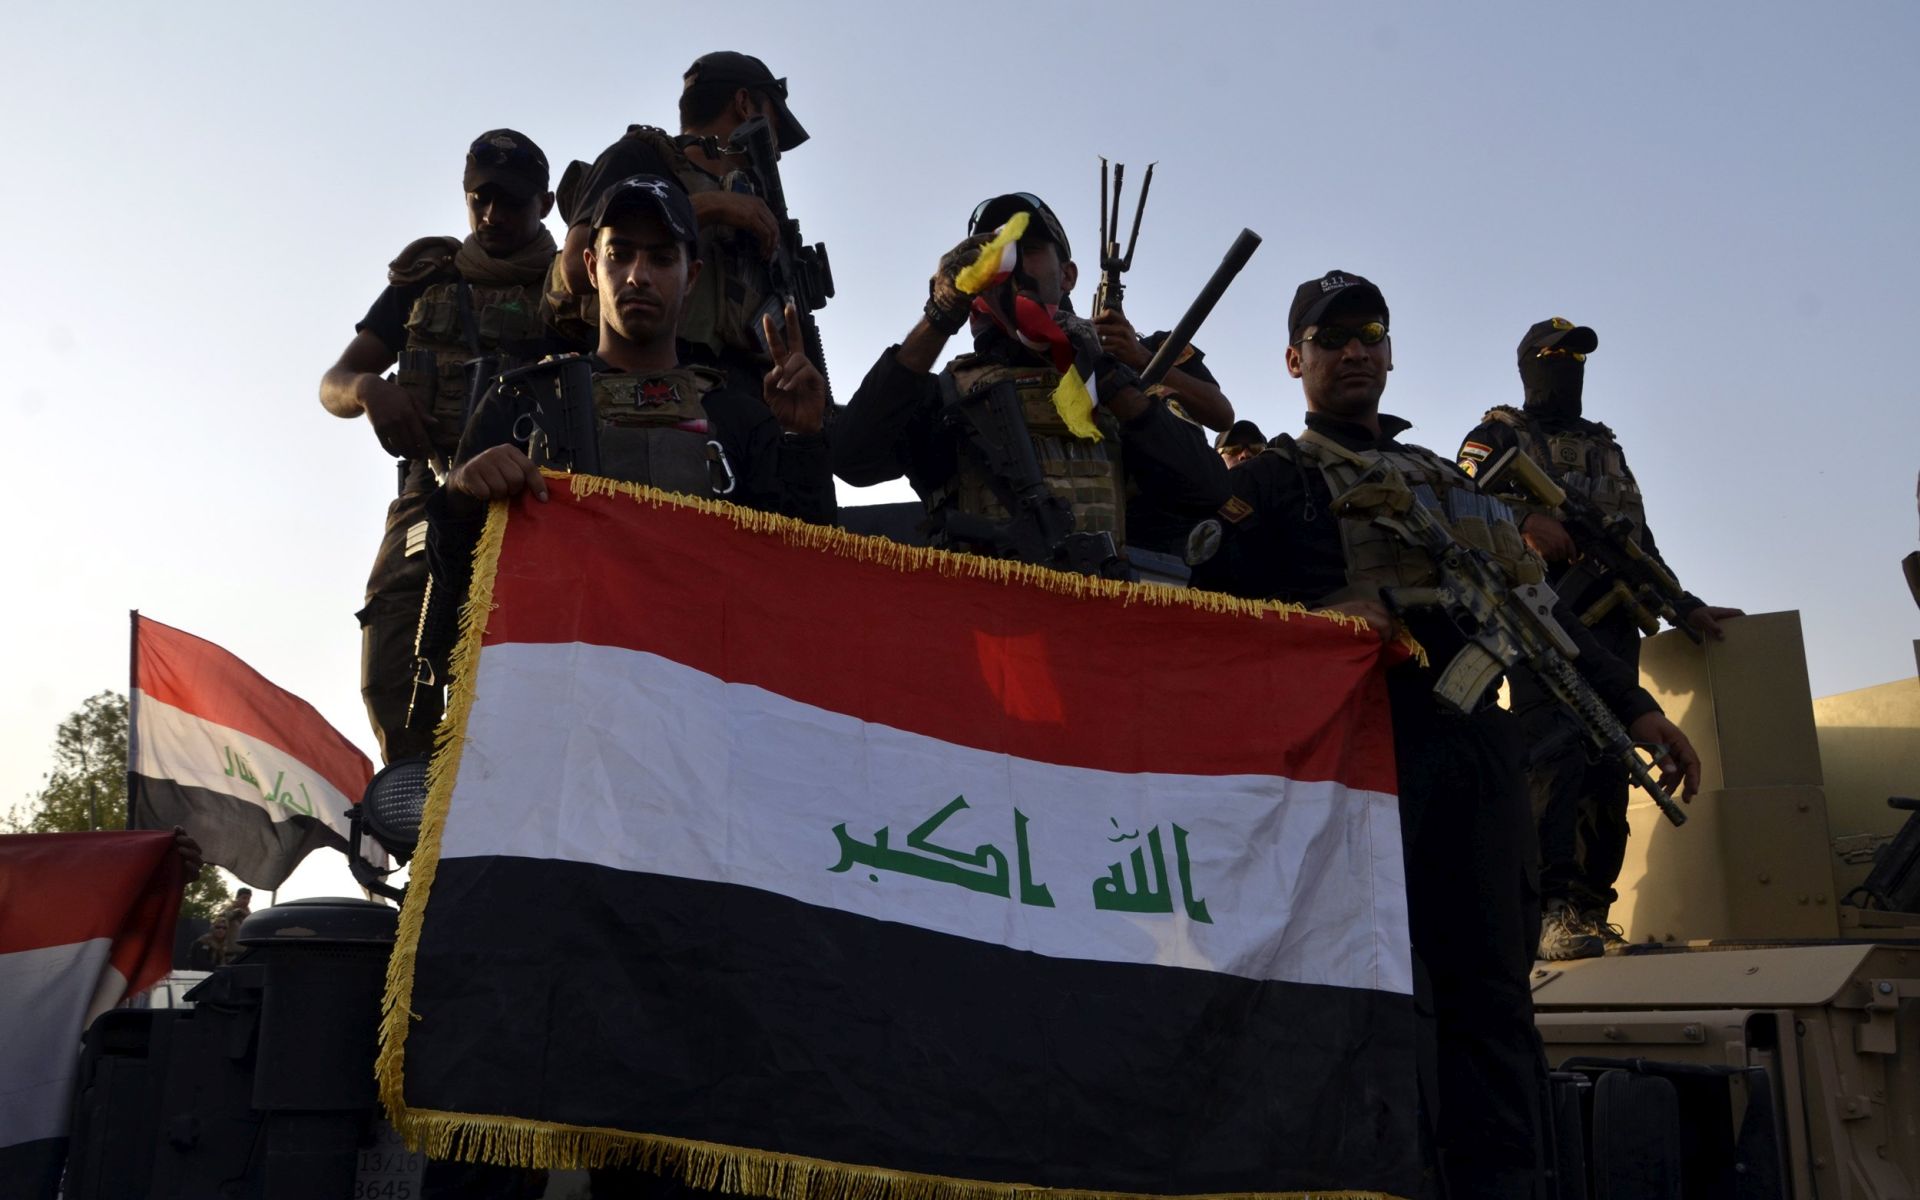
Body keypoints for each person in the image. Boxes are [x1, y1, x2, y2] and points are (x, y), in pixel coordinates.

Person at [1191, 271, 1702, 1198]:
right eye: (1332, 336)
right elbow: (1201, 607)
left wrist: (1636, 709)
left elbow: (1541, 612)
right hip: (1360, 759)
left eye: (1371, 335)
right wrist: (1323, 616)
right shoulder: (1279, 479)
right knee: (1363, 989)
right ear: (1294, 359)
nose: (1355, 352)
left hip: (1473, 754)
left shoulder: (1443, 480)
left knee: (1494, 998)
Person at [1456, 318, 1744, 960]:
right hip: (1539, 617)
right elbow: (1455, 502)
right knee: (1553, 756)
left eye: (1576, 357)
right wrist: (1526, 518)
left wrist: (1685, 605)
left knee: (1610, 765)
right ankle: (1547, 914)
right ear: (1529, 364)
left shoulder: (1604, 448)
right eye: (1553, 356)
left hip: (1612, 623)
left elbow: (1637, 542)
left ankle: (1587, 909)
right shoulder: (1498, 433)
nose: (1566, 366)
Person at [428, 172, 832, 612]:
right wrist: (460, 495)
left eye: (661, 259)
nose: (638, 276)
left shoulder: (737, 416)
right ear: (590, 267)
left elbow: (802, 580)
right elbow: (454, 588)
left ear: (691, 275)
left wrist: (801, 440)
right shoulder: (521, 401)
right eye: (620, 255)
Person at [318, 130, 557, 763]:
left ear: (546, 203)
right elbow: (332, 384)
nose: (492, 215)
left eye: (510, 202)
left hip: (538, 496)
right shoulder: (427, 281)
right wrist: (370, 388)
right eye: (480, 199)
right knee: (398, 636)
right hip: (433, 488)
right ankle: (414, 804)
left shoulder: (577, 286)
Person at [831, 192, 1228, 572]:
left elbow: (1206, 492)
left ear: (1068, 275)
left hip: (1099, 621)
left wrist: (1100, 372)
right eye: (993, 254)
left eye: (1030, 249)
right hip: (982, 625)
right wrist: (939, 314)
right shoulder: (946, 394)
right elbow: (852, 460)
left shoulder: (1109, 385)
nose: (1012, 267)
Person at [547, 51, 814, 393]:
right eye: (775, 128)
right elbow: (573, 269)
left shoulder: (753, 209)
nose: (776, 150)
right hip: (640, 389)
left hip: (732, 397)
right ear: (744, 104)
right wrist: (709, 208)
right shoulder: (638, 157)